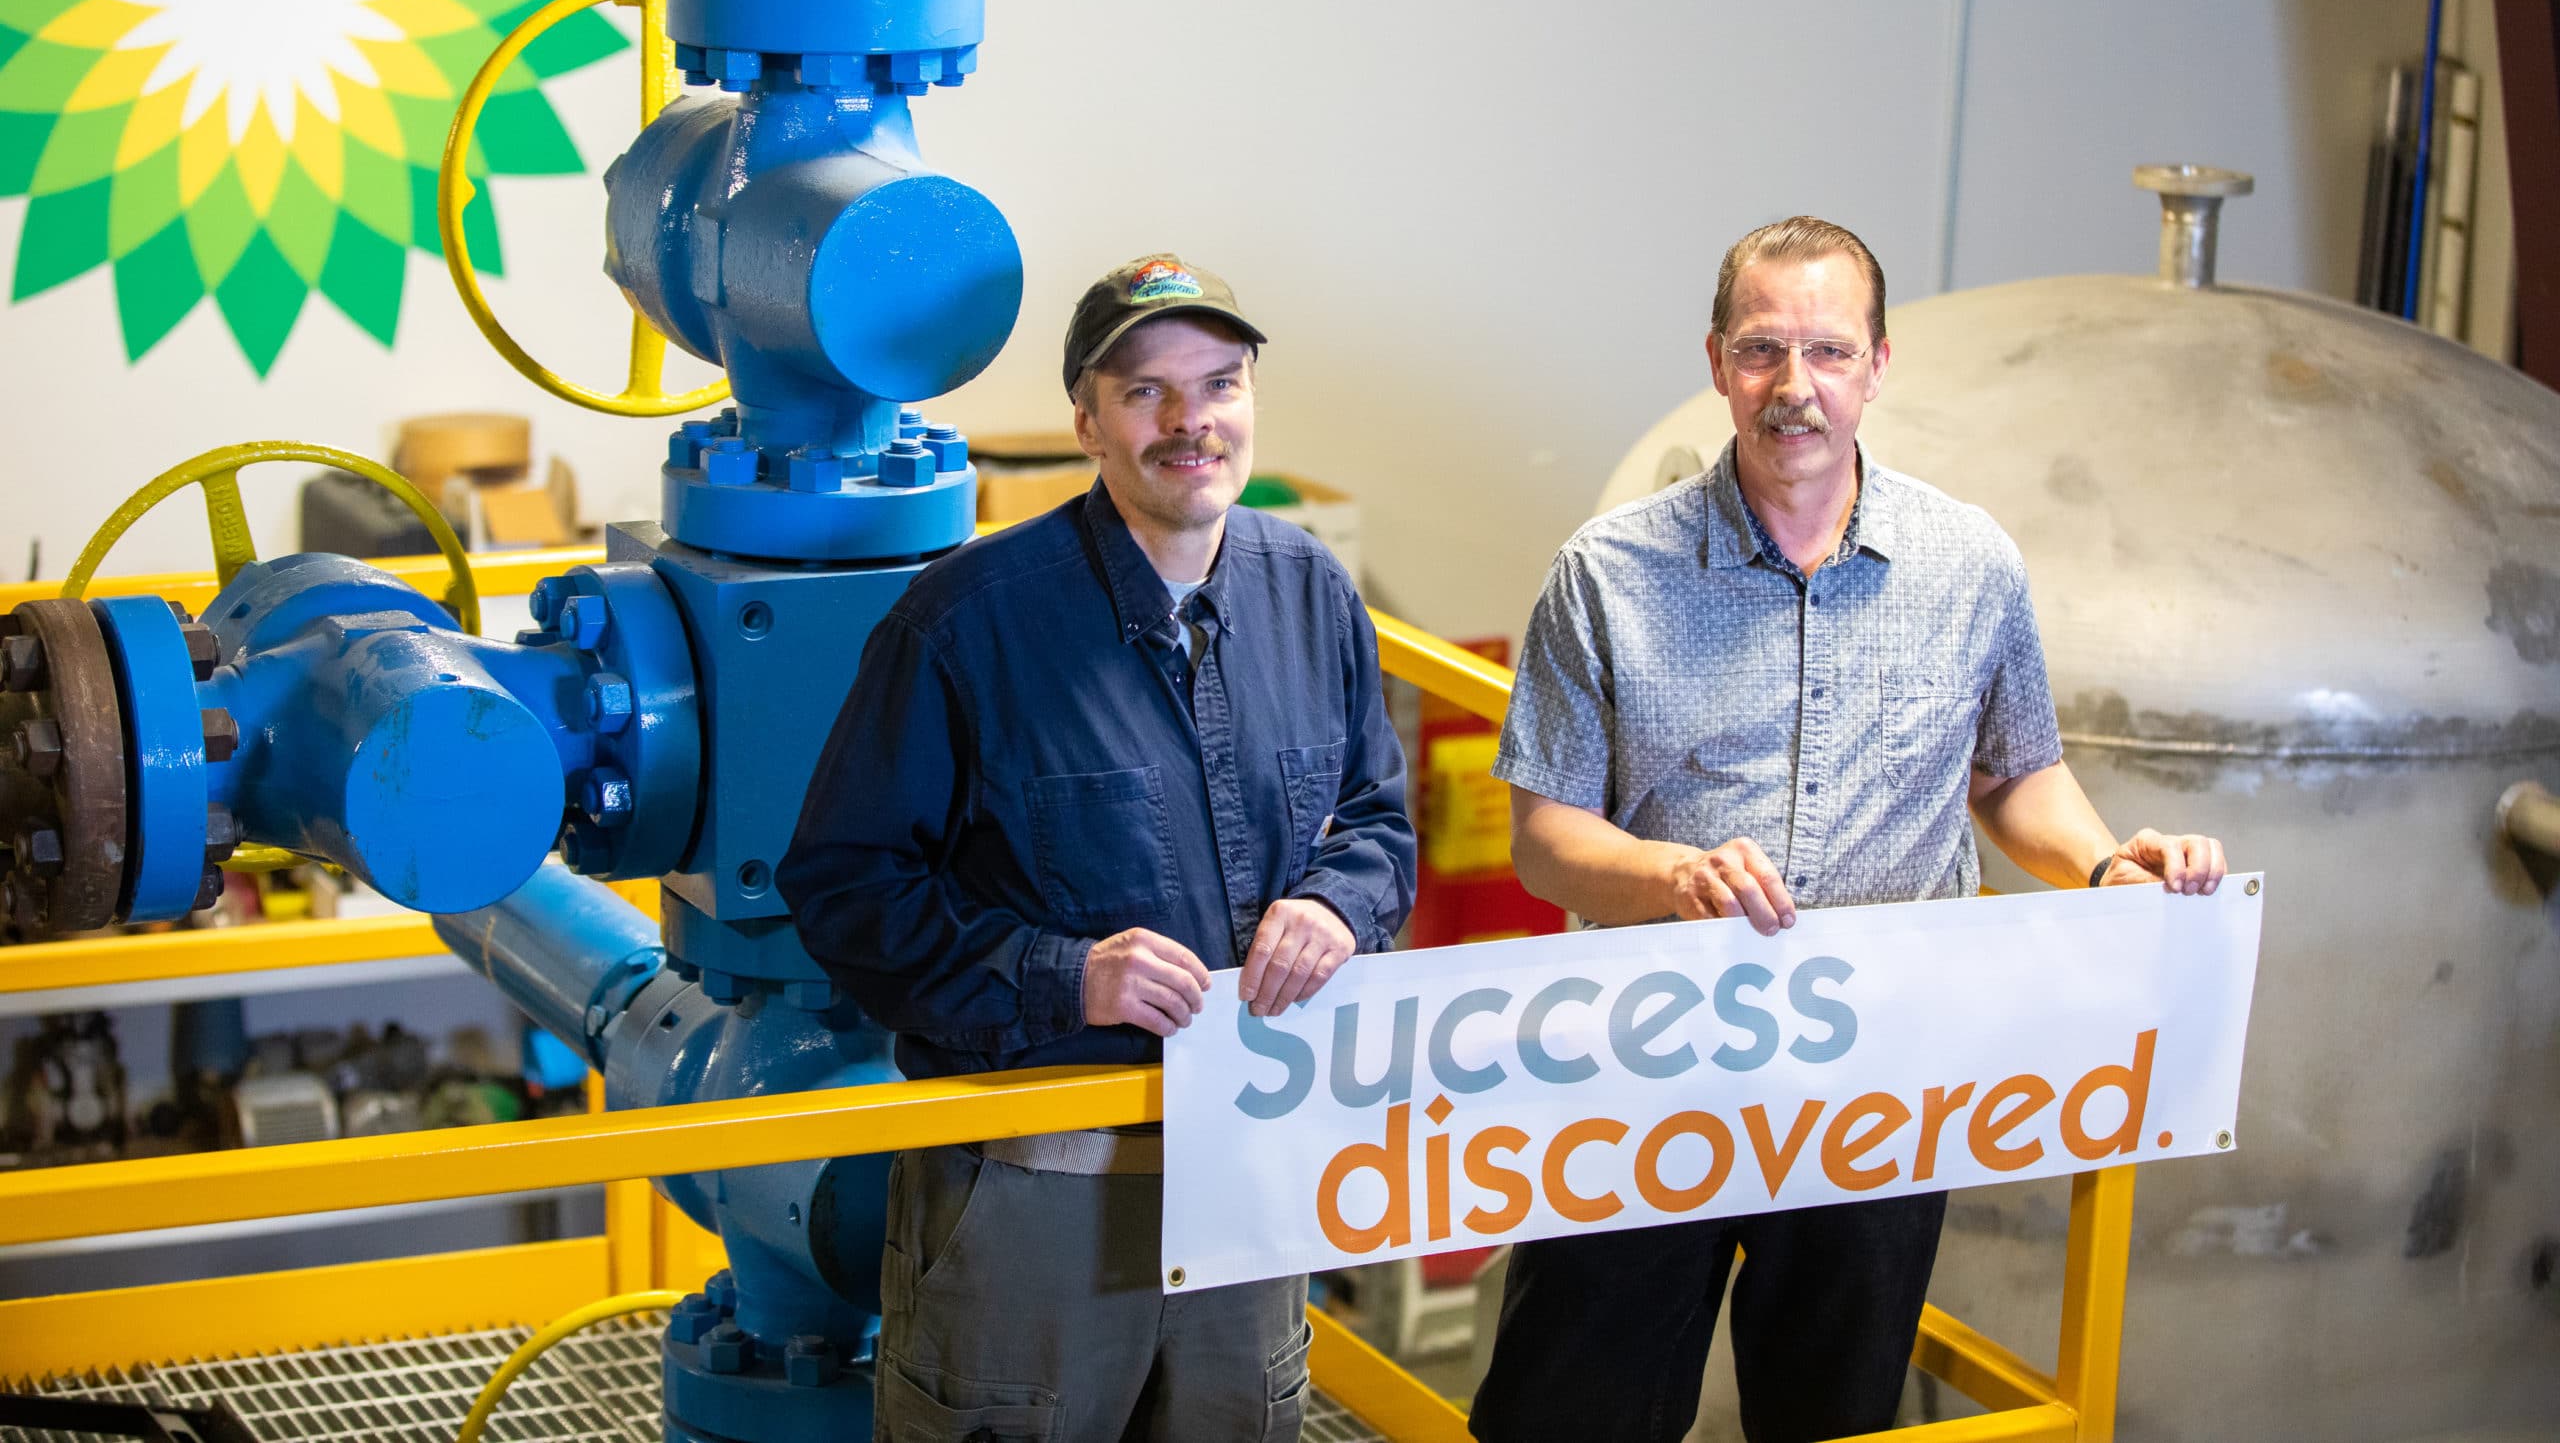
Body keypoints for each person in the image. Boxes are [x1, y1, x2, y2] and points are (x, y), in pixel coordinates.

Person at [1468, 216, 2229, 1443]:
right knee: (1571, 1409)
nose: (1793, 387)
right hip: (1644, 1065)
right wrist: (1673, 877)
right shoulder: (1607, 574)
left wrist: (2101, 863)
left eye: (1827, 350)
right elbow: (1545, 839)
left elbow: (2012, 777)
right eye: (1763, 349)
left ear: (1877, 364)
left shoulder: (1967, 563)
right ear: (1717, 362)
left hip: (1877, 1076)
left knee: (1833, 1412)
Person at [777, 252, 1416, 1443]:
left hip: (1248, 1170)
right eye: (1147, 393)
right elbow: (844, 887)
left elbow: (1377, 819)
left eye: (1218, 385)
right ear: (1088, 421)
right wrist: (1064, 972)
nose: (1191, 424)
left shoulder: (1311, 591)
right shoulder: (967, 623)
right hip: (1031, 1192)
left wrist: (1337, 905)